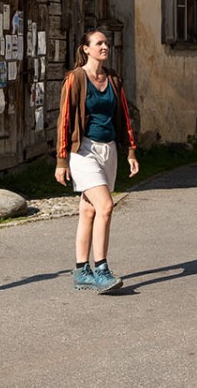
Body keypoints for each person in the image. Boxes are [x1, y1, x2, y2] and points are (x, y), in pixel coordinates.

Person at [55, 29, 138, 293]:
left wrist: (131, 150)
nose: (105, 46)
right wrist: (61, 160)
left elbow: (124, 115)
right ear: (86, 49)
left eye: (107, 42)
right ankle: (101, 269)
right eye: (99, 43)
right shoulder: (75, 79)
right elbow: (65, 120)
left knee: (88, 210)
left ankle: (82, 271)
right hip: (84, 150)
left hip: (108, 149)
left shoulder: (113, 79)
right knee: (106, 206)